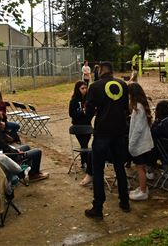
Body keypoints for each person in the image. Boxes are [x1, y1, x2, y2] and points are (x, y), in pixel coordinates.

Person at [84, 61, 130, 219]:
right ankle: (125, 201)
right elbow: (125, 108)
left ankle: (98, 207)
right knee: (120, 167)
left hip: (102, 133)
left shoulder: (95, 86)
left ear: (102, 70)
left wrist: (86, 118)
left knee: (98, 170)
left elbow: (89, 111)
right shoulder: (123, 85)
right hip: (119, 132)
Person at [0, 111, 49, 182]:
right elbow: (6, 147)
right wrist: (17, 152)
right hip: (7, 156)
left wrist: (3, 131)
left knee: (27, 147)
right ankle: (33, 175)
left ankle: (28, 170)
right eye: (1, 121)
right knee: (37, 152)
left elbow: (6, 143)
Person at [127, 82, 154, 201]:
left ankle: (143, 191)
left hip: (140, 144)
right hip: (143, 143)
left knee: (140, 168)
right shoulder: (140, 106)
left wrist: (131, 145)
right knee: (141, 167)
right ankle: (142, 187)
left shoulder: (138, 107)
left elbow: (137, 129)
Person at [69, 80, 93, 186]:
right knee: (84, 144)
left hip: (87, 125)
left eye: (85, 88)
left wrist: (87, 114)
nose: (84, 90)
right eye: (82, 88)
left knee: (85, 144)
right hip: (78, 126)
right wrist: (81, 113)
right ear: (78, 89)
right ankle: (86, 163)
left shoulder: (89, 100)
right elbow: (71, 113)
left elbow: (92, 112)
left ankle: (84, 162)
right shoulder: (74, 100)